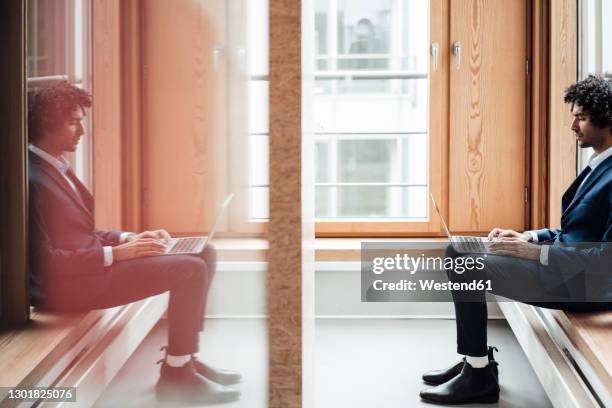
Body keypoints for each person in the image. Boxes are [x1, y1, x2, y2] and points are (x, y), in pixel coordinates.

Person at [27, 80, 241, 404]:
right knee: (189, 270)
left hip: (88, 270)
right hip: (69, 288)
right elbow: (47, 262)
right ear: (47, 123)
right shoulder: (31, 179)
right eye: (73, 122)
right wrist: (118, 253)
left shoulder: (56, 168)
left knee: (204, 252)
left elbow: (82, 233)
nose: (82, 131)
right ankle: (176, 374)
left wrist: (130, 238)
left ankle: (184, 359)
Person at [419, 75, 612, 405]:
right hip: (566, 270)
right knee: (458, 249)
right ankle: (474, 361)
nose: (573, 126)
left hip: (584, 287)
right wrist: (529, 236)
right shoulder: (599, 166)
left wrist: (534, 254)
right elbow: (575, 234)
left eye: (581, 117)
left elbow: (605, 260)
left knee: (466, 265)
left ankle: (479, 375)